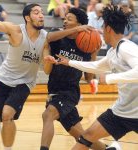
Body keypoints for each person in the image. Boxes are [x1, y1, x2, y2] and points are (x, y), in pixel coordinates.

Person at [0, 3, 92, 150]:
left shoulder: (45, 38)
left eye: (42, 12)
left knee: (7, 114)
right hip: (3, 79)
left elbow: (46, 59)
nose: (41, 15)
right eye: (36, 13)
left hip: (24, 83)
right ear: (27, 18)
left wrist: (47, 60)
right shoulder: (16, 30)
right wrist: (77, 28)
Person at [55, 5, 138, 150]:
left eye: (102, 27)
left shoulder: (126, 48)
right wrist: (69, 62)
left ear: (108, 29)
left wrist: (110, 78)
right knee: (87, 136)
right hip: (122, 110)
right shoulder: (113, 51)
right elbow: (96, 66)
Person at [40, 7, 121, 150]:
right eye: (65, 18)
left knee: (48, 115)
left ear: (80, 24)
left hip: (69, 93)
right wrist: (75, 30)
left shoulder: (85, 45)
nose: (65, 21)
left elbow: (88, 77)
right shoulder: (58, 37)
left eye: (69, 19)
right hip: (53, 91)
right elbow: (48, 37)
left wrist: (93, 54)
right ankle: (109, 149)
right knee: (81, 135)